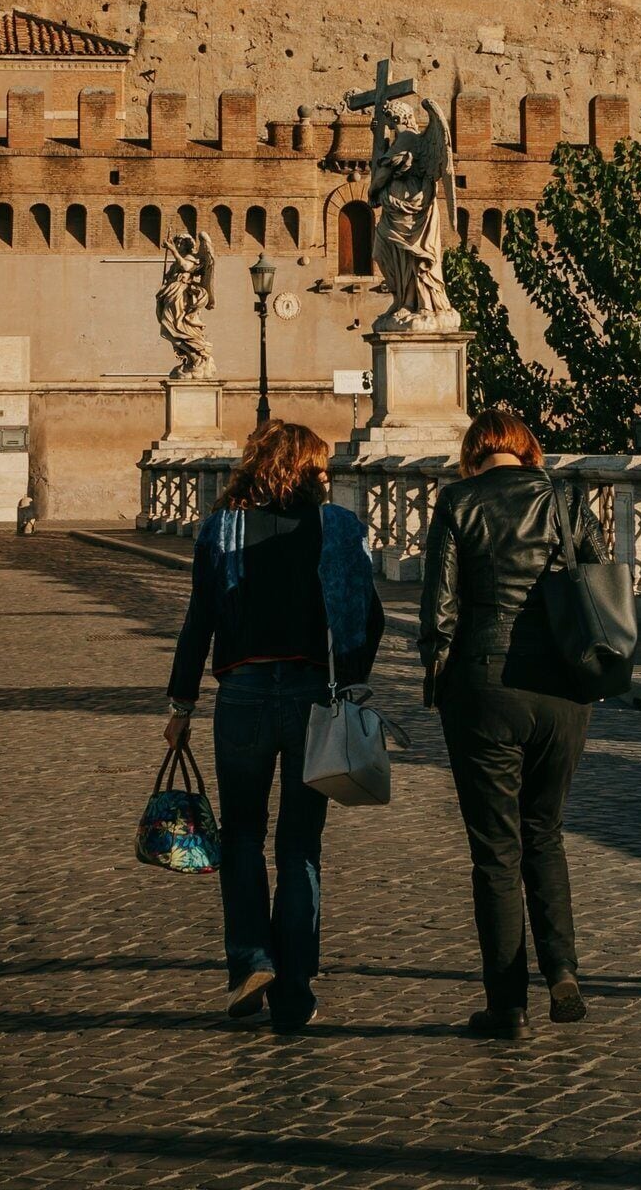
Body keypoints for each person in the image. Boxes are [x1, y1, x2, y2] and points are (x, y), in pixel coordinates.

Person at [162, 421, 382, 1034]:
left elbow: (198, 621)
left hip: (243, 695)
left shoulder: (222, 528)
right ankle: (295, 990)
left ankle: (250, 960)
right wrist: (352, 679)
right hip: (313, 695)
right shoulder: (334, 528)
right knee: (299, 845)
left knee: (240, 837)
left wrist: (180, 705)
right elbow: (369, 614)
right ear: (307, 469)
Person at [419, 405, 604, 1040]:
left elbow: (439, 608)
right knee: (545, 832)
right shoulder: (564, 500)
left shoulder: (457, 502)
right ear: (527, 451)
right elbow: (600, 582)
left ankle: (508, 1006)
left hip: (485, 684)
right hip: (561, 689)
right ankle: (563, 971)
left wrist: (436, 678)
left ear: (475, 454)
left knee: (496, 849)